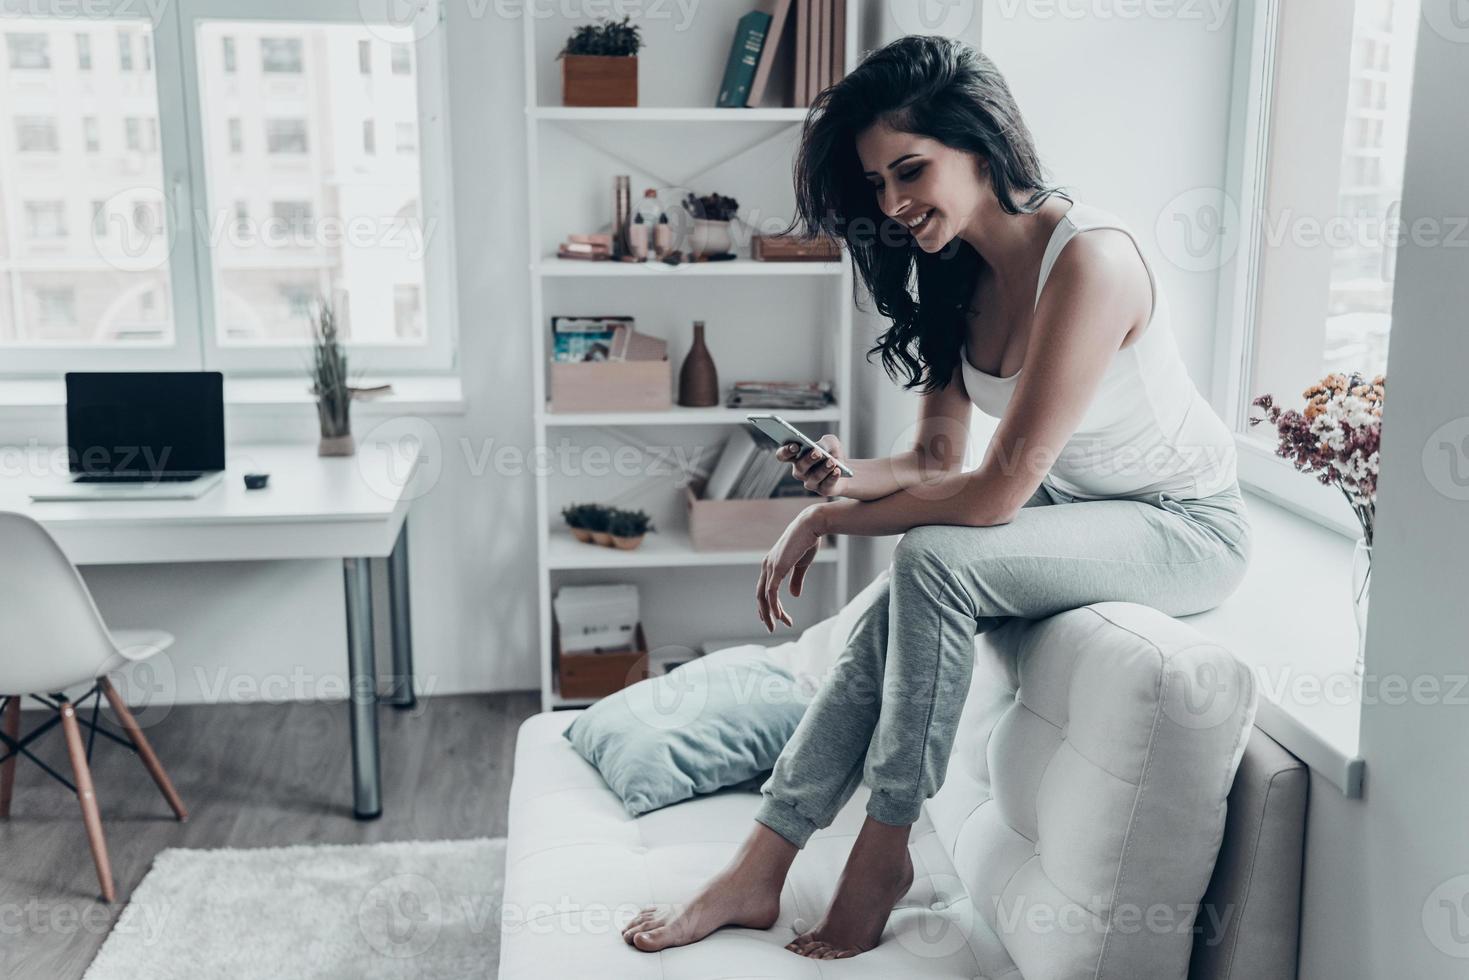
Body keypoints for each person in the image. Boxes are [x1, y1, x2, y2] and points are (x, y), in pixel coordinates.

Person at [622, 34, 1252, 960]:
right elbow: (932, 457)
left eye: (910, 170)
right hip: (1080, 508)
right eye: (877, 184)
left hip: (1184, 526)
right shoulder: (954, 268)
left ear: (983, 145)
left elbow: (996, 492)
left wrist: (830, 518)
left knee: (931, 560)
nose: (893, 203)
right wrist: (842, 475)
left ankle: (880, 853)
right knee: (905, 589)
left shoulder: (1090, 262)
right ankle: (760, 863)